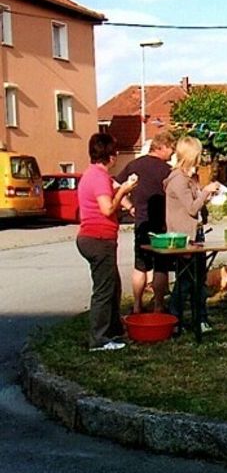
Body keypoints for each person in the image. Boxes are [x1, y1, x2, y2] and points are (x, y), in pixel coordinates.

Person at [77, 133, 138, 351]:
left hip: (93, 238)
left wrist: (130, 205)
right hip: (98, 238)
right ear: (110, 156)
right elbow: (107, 208)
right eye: (115, 152)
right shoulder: (99, 177)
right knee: (104, 290)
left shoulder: (93, 174)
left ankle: (114, 331)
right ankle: (99, 339)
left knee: (113, 286)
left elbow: (115, 189)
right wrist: (124, 191)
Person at [163, 137, 221, 333]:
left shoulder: (188, 178)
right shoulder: (178, 180)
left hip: (194, 235)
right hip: (184, 239)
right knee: (187, 281)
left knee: (196, 280)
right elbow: (190, 208)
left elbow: (195, 206)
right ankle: (176, 320)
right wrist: (205, 192)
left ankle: (197, 319)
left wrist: (205, 195)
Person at [115, 130, 176, 314]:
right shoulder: (167, 171)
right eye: (171, 149)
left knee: (140, 266)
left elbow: (115, 186)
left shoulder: (134, 165)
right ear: (162, 147)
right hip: (161, 225)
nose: (172, 153)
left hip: (141, 222)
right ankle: (158, 305)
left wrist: (129, 206)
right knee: (160, 267)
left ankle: (136, 305)